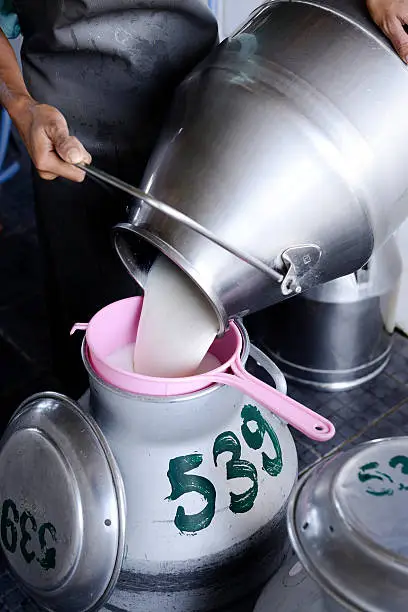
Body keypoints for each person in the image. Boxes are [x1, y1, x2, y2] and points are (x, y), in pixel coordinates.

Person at [0, 0, 406, 397]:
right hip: (72, 132)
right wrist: (21, 103)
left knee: (217, 291)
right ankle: (86, 428)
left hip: (203, 106)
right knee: (87, 310)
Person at [0, 1, 218, 396]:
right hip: (70, 128)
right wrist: (21, 104)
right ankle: (84, 417)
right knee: (86, 300)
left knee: (202, 274)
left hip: (191, 105)